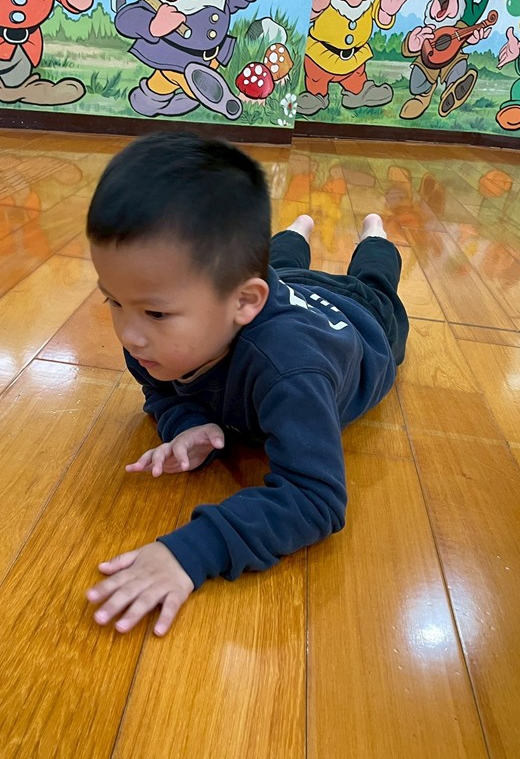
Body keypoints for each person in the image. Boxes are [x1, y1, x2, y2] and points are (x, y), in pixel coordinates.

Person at [84, 132, 409, 635]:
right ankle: (296, 230)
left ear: (244, 303)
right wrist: (185, 423)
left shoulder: (290, 372)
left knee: (374, 280)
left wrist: (191, 551)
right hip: (283, 286)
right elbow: (160, 391)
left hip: (362, 319)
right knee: (280, 266)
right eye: (113, 301)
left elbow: (315, 498)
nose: (129, 334)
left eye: (155, 312)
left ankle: (374, 235)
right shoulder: (152, 342)